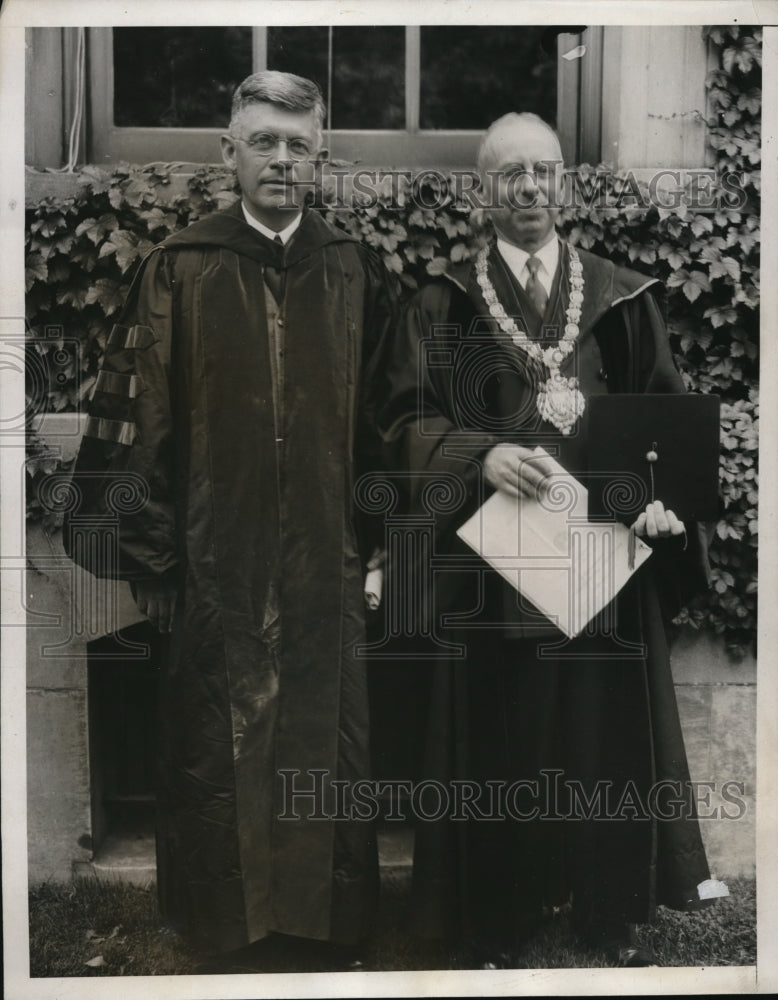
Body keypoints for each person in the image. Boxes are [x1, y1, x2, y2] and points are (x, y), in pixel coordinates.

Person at [65, 70, 397, 957]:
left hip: (327, 556)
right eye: (263, 142)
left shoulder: (355, 269)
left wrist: (382, 539)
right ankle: (227, 928)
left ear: (319, 155)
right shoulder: (178, 268)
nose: (282, 159)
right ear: (230, 152)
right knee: (218, 734)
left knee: (326, 733)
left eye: (298, 144)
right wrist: (154, 558)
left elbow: (389, 416)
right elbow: (138, 422)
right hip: (213, 558)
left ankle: (324, 924)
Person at [380, 112, 717, 968]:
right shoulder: (440, 304)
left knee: (604, 737)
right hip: (492, 568)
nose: (528, 188)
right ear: (482, 191)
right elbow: (401, 424)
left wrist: (660, 507)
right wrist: (479, 456)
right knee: (502, 741)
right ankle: (501, 917)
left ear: (564, 181)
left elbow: (664, 420)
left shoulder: (621, 299)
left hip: (604, 560)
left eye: (543, 171)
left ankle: (609, 912)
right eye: (509, 175)